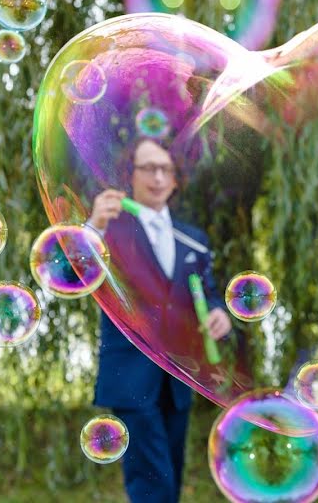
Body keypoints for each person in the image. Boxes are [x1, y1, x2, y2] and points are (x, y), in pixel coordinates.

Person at [87, 136, 232, 503]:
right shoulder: (110, 231)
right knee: (152, 483)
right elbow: (77, 276)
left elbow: (209, 292)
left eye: (164, 169)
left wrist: (219, 313)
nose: (157, 177)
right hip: (132, 377)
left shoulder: (192, 239)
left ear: (175, 179)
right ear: (130, 176)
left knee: (171, 477)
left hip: (178, 376)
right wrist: (93, 227)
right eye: (148, 167)